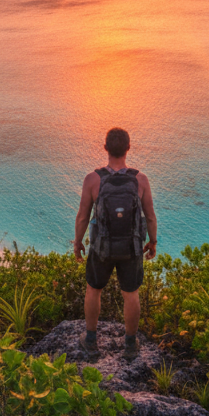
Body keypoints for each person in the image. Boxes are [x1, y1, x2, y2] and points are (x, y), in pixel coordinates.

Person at [74, 127, 158, 360]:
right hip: (131, 248)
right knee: (131, 294)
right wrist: (152, 242)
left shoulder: (93, 179)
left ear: (105, 148)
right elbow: (150, 216)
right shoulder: (140, 180)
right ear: (128, 148)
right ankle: (130, 345)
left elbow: (82, 216)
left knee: (94, 290)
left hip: (101, 248)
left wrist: (78, 242)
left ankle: (91, 341)